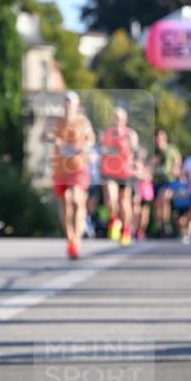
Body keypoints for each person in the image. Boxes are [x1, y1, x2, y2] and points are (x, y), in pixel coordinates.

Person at [49, 91, 95, 259]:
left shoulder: (83, 122)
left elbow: (91, 139)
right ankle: (71, 239)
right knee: (65, 203)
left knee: (76, 199)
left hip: (78, 167)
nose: (68, 104)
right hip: (61, 168)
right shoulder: (56, 122)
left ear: (77, 104)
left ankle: (77, 238)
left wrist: (84, 145)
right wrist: (53, 140)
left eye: (71, 101)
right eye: (66, 101)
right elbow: (43, 136)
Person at [100, 106, 138, 246]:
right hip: (110, 171)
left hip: (125, 172)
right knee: (111, 199)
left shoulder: (130, 133)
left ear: (125, 119)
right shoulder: (107, 133)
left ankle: (126, 230)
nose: (117, 120)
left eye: (120, 118)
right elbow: (103, 150)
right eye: (115, 117)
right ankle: (114, 220)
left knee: (124, 202)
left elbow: (134, 150)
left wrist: (129, 141)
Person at [152, 128, 181, 237]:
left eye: (161, 137)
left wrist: (176, 169)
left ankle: (166, 224)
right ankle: (160, 226)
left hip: (169, 181)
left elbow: (178, 164)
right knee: (157, 204)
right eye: (157, 138)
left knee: (163, 197)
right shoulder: (154, 152)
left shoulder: (172, 150)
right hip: (156, 182)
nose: (159, 140)